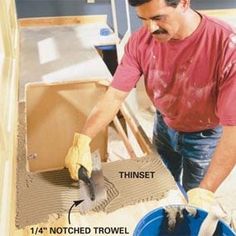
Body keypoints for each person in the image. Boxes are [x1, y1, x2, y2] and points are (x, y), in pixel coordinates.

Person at [65, 0, 236, 210]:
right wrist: (83, 139)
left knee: (194, 200)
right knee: (161, 185)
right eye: (143, 19)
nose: (150, 28)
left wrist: (206, 189)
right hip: (164, 124)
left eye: (158, 18)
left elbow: (234, 129)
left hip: (205, 137)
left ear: (183, 3)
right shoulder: (141, 41)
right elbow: (115, 96)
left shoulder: (226, 46)